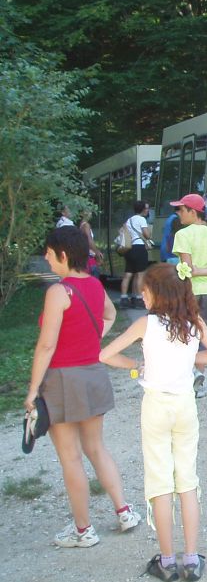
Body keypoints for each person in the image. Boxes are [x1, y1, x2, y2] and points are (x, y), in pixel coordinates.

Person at [99, 262, 207, 582]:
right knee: (187, 480)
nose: (143, 296)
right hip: (185, 406)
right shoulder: (193, 321)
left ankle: (167, 561)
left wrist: (135, 366)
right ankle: (191, 559)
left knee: (160, 482)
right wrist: (188, 358)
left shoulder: (146, 324)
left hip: (156, 406)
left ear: (157, 294)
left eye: (145, 291)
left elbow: (105, 355)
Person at [23, 226, 141, 548]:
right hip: (93, 374)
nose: (46, 258)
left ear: (63, 254)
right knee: (97, 448)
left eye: (49, 253)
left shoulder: (59, 292)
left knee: (71, 457)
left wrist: (33, 390)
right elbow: (110, 313)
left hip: (63, 379)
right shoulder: (93, 284)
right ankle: (124, 511)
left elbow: (46, 346)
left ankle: (83, 530)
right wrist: (91, 337)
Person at [171, 193, 207, 398]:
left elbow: (186, 268)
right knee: (204, 335)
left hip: (189, 292)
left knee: (184, 333)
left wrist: (194, 272)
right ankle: (198, 382)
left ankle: (188, 376)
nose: (178, 213)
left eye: (181, 209)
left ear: (193, 212)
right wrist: (203, 271)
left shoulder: (183, 235)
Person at [120, 200, 152, 308]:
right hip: (139, 248)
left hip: (129, 248)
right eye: (146, 208)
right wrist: (149, 231)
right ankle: (138, 299)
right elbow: (147, 235)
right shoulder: (142, 219)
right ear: (142, 209)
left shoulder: (129, 220)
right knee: (140, 274)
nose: (147, 210)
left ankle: (124, 298)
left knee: (128, 274)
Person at [79, 209, 103, 278]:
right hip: (90, 257)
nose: (90, 213)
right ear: (82, 213)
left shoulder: (81, 225)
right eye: (87, 211)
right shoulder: (86, 225)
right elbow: (89, 240)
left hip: (85, 257)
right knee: (94, 279)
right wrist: (97, 253)